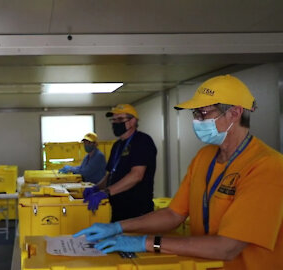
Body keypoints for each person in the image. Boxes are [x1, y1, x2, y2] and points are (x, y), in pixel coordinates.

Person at [73, 75, 283, 270]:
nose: (197, 120)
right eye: (195, 113)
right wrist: (118, 227)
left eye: (203, 113)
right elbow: (174, 214)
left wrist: (146, 242)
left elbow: (227, 247)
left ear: (234, 113)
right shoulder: (204, 157)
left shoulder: (268, 167)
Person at [83, 104, 157, 222]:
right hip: (117, 209)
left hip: (137, 211)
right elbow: (111, 174)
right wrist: (96, 188)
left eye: (120, 119)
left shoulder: (142, 141)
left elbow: (136, 175)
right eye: (114, 120)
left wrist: (106, 192)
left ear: (133, 121)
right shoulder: (117, 145)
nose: (116, 123)